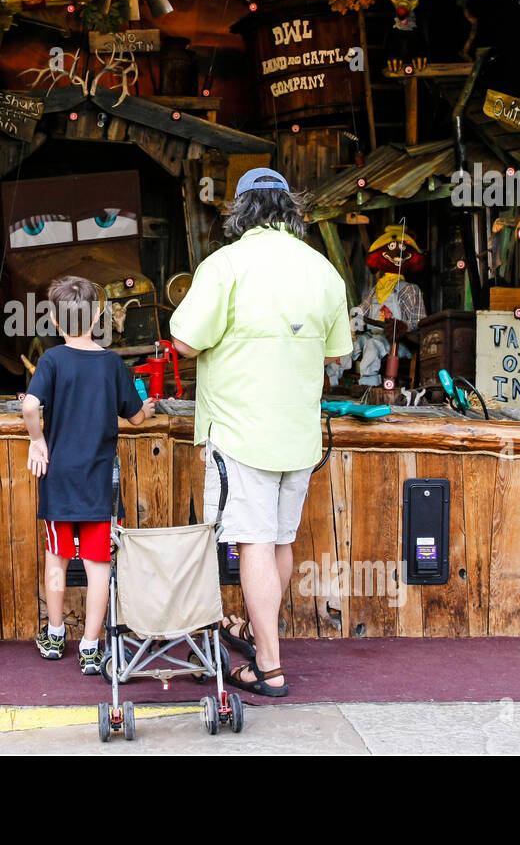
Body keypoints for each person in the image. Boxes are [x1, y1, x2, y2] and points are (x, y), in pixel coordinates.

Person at [170, 168, 352, 698]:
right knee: (279, 539)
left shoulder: (225, 265)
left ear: (240, 211)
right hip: (299, 433)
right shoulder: (323, 271)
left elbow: (182, 342)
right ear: (288, 209)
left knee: (253, 540)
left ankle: (269, 666)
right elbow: (339, 354)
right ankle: (254, 630)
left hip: (241, 430)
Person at [22, 275, 156, 674]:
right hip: (100, 484)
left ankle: (55, 633)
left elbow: (31, 406)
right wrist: (146, 410)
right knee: (99, 566)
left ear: (54, 321)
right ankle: (91, 646)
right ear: (99, 315)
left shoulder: (51, 361)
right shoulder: (113, 364)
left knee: (57, 561)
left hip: (58, 479)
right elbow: (134, 416)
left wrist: (37, 440)